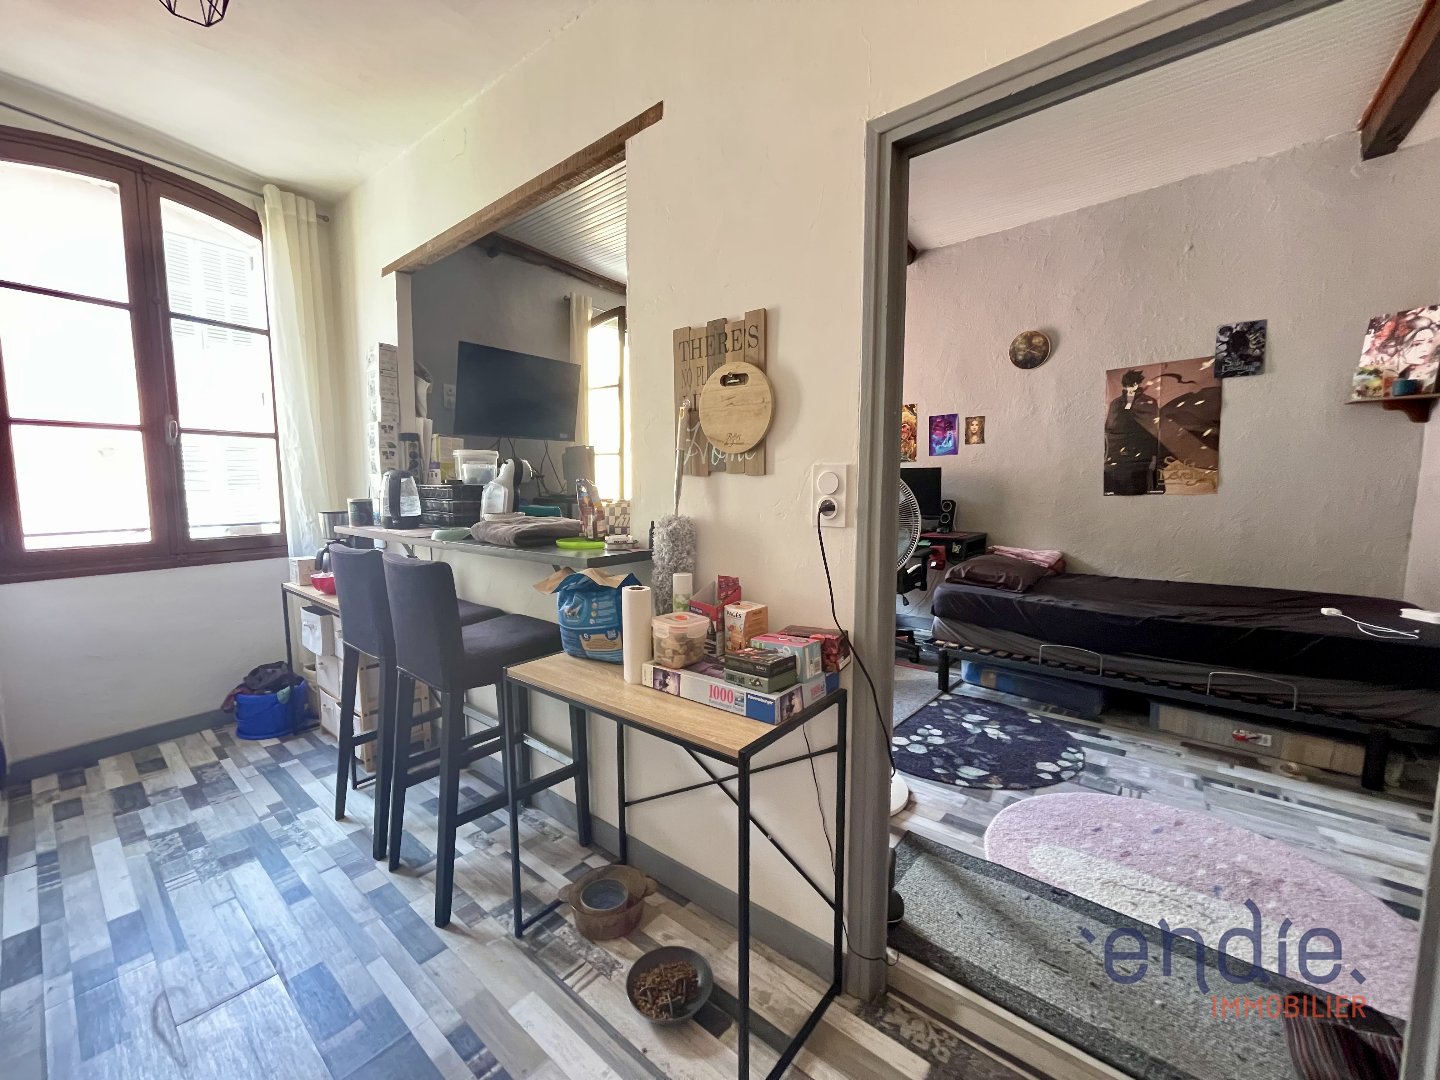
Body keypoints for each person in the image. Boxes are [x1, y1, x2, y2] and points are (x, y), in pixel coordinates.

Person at [1104, 370, 1160, 495]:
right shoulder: (1116, 403)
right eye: (1129, 384)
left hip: (1141, 450)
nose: (1132, 387)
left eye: (1134, 383)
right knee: (1119, 487)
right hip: (1119, 452)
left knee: (1140, 485)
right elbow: (1110, 427)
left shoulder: (1148, 401)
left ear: (1138, 384)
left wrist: (1153, 456)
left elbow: (1153, 429)